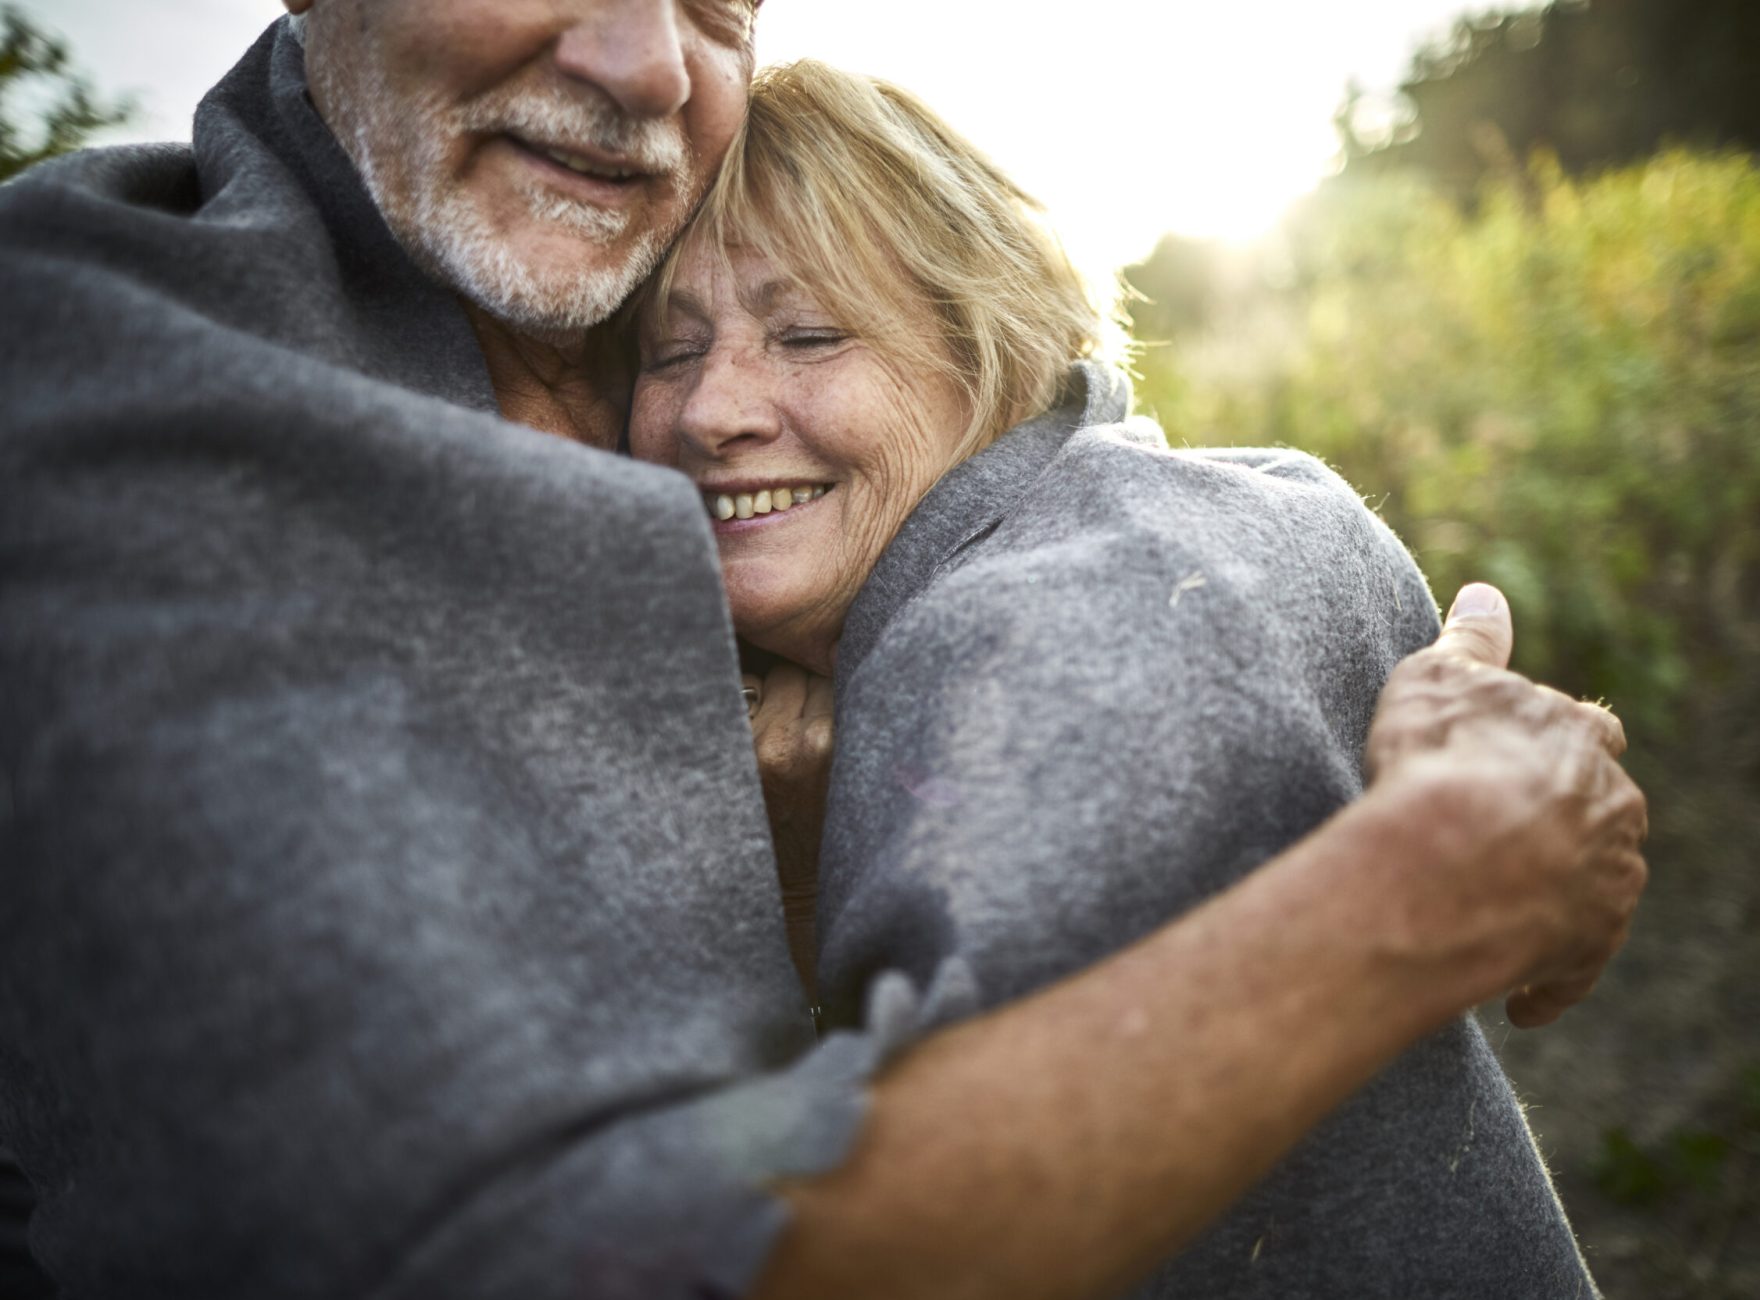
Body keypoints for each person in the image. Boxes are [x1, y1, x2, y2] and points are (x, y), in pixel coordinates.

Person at [0, 6, 1644, 1299]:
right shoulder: (130, 401)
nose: (647, 60)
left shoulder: (1081, 609)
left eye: (719, 0)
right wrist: (1440, 885)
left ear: (984, 342)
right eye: (677, 351)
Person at [629, 59, 1614, 1297]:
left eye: (809, 334)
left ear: (985, 336)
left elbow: (920, 1244)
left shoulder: (1034, 644)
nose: (711, 407)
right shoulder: (1268, 495)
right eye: (664, 354)